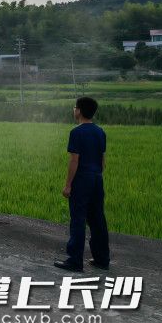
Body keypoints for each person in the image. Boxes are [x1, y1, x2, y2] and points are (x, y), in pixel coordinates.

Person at [54, 96, 110, 272]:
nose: (73, 110)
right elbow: (102, 161)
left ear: (79, 111)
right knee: (97, 219)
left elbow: (74, 161)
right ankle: (102, 259)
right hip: (97, 179)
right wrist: (95, 176)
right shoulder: (100, 132)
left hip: (82, 180)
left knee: (78, 219)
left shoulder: (76, 132)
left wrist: (68, 185)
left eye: (75, 107)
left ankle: (75, 261)